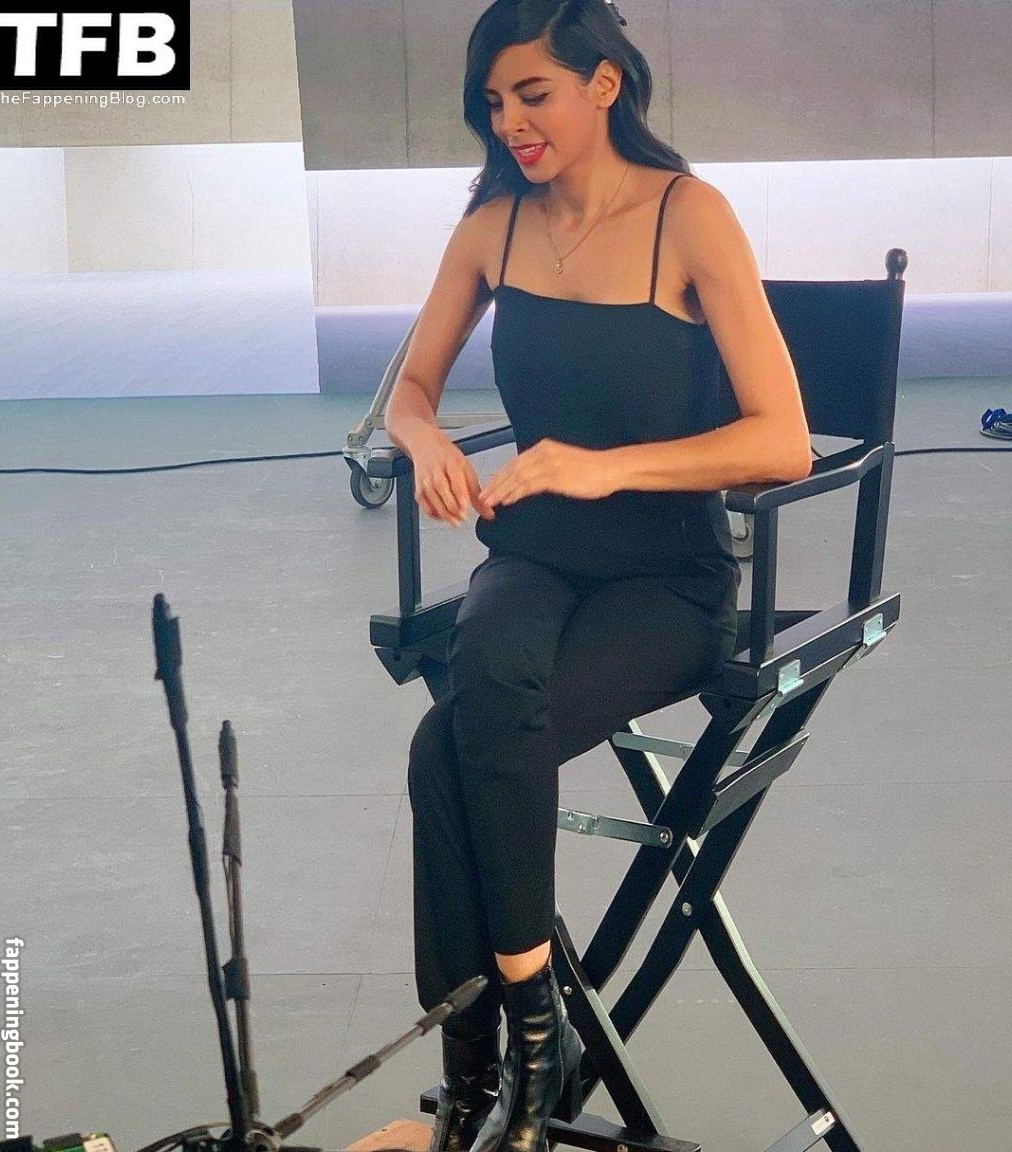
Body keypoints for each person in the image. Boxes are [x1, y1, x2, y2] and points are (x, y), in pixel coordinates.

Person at [383, 2, 812, 1149]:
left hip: (666, 581)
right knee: (478, 698)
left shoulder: (689, 217)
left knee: (446, 747)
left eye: (533, 94)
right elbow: (409, 391)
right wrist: (423, 442)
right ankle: (519, 1041)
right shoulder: (492, 225)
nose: (510, 122)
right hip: (533, 552)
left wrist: (600, 465)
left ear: (604, 84)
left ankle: (503, 1062)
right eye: (493, 103)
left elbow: (783, 442)